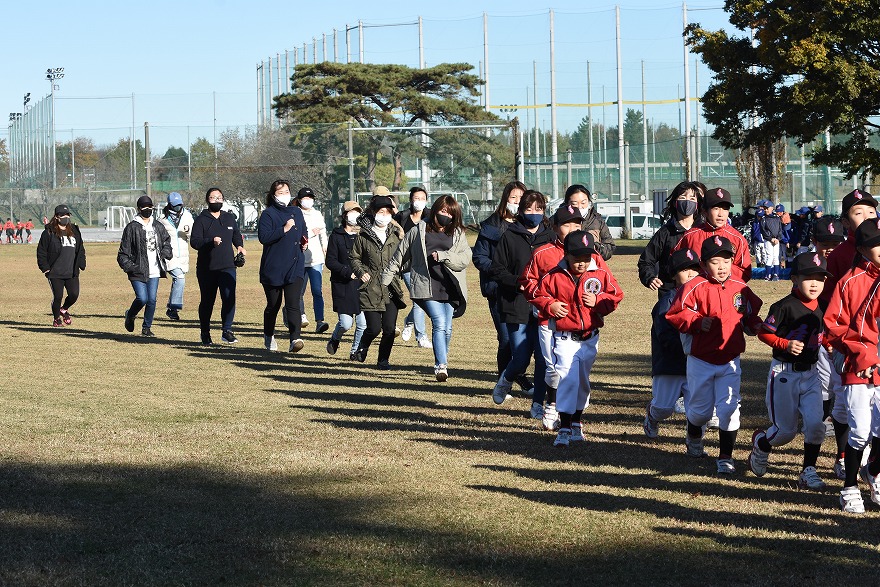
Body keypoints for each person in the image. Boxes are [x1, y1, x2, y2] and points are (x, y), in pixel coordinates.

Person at [666, 235, 763, 474]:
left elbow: (750, 314)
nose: (722, 267)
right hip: (701, 360)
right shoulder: (694, 286)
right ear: (703, 264)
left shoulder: (740, 286)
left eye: (726, 261)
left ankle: (725, 457)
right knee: (700, 412)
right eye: (715, 262)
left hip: (730, 358)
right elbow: (675, 314)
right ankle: (694, 436)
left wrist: (755, 325)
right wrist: (697, 322)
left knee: (729, 408)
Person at [530, 230, 623, 446]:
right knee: (567, 379)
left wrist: (599, 300)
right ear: (566, 254)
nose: (582, 263)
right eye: (577, 258)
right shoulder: (554, 275)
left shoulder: (599, 272)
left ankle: (576, 422)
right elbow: (537, 294)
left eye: (586, 258)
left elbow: (616, 295)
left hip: (590, 338)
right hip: (564, 337)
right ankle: (564, 426)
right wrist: (550, 305)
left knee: (582, 382)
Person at [748, 252, 830, 491]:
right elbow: (764, 332)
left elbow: (823, 335)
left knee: (816, 426)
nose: (814, 284)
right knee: (785, 433)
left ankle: (808, 470)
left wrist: (831, 345)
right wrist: (784, 344)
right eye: (808, 277)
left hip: (812, 374)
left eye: (820, 278)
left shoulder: (824, 306)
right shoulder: (784, 306)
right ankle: (762, 444)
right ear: (794, 279)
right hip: (784, 373)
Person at [384, 194, 472, 381]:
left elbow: (465, 258)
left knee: (447, 327)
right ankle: (441, 365)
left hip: (450, 285)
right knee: (439, 322)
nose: (445, 216)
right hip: (426, 284)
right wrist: (385, 280)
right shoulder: (418, 230)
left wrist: (444, 256)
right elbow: (399, 255)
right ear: (435, 210)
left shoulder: (457, 233)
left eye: (450, 213)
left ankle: (442, 359)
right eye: (443, 211)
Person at [825, 218, 880, 513]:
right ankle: (849, 487)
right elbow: (834, 326)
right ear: (861, 249)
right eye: (876, 244)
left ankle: (873, 472)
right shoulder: (849, 281)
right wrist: (862, 355)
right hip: (856, 365)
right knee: (860, 432)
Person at [489, 190, 556, 419]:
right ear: (520, 211)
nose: (534, 213)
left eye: (538, 209)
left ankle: (537, 404)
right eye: (529, 209)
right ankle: (506, 378)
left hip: (544, 306)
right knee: (520, 357)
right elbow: (497, 269)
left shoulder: (550, 237)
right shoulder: (509, 236)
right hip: (515, 303)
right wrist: (517, 283)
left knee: (543, 358)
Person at [521, 204, 585, 429]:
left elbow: (601, 282)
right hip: (549, 319)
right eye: (567, 224)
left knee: (574, 369)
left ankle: (569, 411)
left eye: (577, 224)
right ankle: (552, 404)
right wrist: (548, 303)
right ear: (555, 227)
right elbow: (527, 283)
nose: (572, 228)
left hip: (578, 322)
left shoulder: (589, 254)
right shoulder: (542, 252)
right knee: (554, 367)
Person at [472, 180, 532, 394]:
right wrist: (501, 272)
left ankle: (519, 374)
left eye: (521, 198)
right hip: (499, 289)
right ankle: (503, 380)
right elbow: (479, 257)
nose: (517, 202)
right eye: (513, 198)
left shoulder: (531, 225)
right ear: (505, 199)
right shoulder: (491, 226)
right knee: (506, 338)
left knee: (525, 338)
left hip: (525, 290)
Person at [643, 248, 701, 440]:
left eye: (695, 268)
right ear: (674, 275)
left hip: (696, 365)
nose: (691, 273)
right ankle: (652, 415)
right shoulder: (667, 302)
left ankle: (694, 443)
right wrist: (690, 349)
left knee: (697, 410)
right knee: (663, 408)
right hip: (670, 365)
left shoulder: (704, 297)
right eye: (684, 270)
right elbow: (665, 336)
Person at [349, 195, 405, 369]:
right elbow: (354, 257)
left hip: (391, 287)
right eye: (381, 211)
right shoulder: (363, 236)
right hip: (370, 288)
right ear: (374, 213)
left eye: (388, 212)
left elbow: (403, 257)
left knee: (389, 329)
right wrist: (361, 272)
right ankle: (362, 346)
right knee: (374, 328)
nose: (384, 215)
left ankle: (383, 360)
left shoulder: (396, 235)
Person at [189, 187, 246, 345]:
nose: (216, 200)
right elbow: (194, 242)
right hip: (207, 268)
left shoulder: (229, 218)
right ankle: (205, 333)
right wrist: (210, 241)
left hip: (228, 266)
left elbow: (236, 234)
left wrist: (239, 246)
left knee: (229, 298)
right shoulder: (201, 220)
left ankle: (227, 330)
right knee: (208, 301)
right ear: (207, 200)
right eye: (213, 197)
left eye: (219, 197)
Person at [258, 179, 308, 352]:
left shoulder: (296, 211)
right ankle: (268, 335)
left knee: (293, 304)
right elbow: (264, 237)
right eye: (280, 192)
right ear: (273, 196)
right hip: (274, 267)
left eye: (287, 191)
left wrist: (304, 241)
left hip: (295, 265)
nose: (285, 195)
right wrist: (284, 229)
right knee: (273, 305)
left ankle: (295, 339)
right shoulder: (268, 214)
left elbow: (303, 230)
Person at [117, 196, 173, 337]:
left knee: (152, 300)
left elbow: (167, 242)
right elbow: (123, 253)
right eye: (144, 207)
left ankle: (146, 328)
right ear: (139, 209)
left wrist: (165, 253)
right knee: (142, 298)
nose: (147, 209)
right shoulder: (132, 227)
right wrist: (131, 267)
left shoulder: (158, 226)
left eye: (150, 207)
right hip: (137, 269)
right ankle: (130, 315)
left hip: (155, 269)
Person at [637, 181, 704, 300]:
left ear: (697, 204)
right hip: (670, 295)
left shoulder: (704, 231)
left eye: (692, 198)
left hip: (700, 293)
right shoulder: (665, 233)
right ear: (675, 202)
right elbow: (646, 260)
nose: (687, 202)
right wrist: (650, 277)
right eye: (682, 197)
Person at [673, 187, 752, 282]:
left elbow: (745, 272)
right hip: (697, 288)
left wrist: (722, 272)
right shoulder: (690, 236)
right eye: (716, 208)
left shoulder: (738, 239)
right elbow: (675, 262)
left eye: (725, 209)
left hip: (725, 289)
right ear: (705, 211)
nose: (721, 214)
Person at [326, 201, 367, 359]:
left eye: (357, 212)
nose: (355, 215)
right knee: (346, 323)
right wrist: (347, 272)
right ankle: (335, 338)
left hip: (362, 285)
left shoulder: (364, 235)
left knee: (363, 323)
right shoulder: (336, 236)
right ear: (344, 215)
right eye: (351, 212)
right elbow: (330, 261)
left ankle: (355, 351)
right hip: (343, 285)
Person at [394, 186, 433, 349]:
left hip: (426, 265)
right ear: (411, 199)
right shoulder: (402, 217)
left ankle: (409, 321)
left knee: (421, 299)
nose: (419, 201)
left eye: (422, 198)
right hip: (407, 266)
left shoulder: (430, 217)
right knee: (419, 299)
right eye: (416, 198)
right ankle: (421, 337)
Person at [36, 204, 86, 327]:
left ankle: (63, 309)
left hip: (71, 271)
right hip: (55, 272)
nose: (66, 217)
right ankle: (56, 318)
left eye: (67, 215)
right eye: (63, 215)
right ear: (57, 217)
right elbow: (41, 251)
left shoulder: (74, 231)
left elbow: (80, 249)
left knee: (74, 295)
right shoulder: (49, 232)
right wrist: (45, 268)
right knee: (58, 296)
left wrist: (81, 262)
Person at [296, 187, 329, 333]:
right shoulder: (296, 214)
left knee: (317, 291)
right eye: (305, 198)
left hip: (316, 259)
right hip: (300, 259)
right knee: (299, 291)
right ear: (299, 200)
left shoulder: (317, 214)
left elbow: (322, 232)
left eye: (310, 198)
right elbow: (297, 234)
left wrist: (325, 247)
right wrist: (311, 233)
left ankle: (320, 321)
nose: (308, 201)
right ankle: (301, 315)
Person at [157, 192, 194, 321]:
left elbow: (193, 237)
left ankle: (172, 308)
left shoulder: (188, 216)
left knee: (178, 280)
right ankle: (173, 308)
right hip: (169, 255)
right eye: (175, 205)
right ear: (169, 205)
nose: (178, 207)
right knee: (179, 278)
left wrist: (188, 232)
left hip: (183, 255)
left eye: (179, 204)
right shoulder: (162, 218)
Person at [564, 184, 615, 260]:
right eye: (574, 204)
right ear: (567, 203)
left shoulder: (597, 221)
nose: (579, 207)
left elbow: (609, 247)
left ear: (589, 201)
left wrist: (594, 247)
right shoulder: (558, 220)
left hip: (592, 264)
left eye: (583, 203)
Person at [759, 201, 785, 281]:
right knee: (769, 256)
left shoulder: (776, 218)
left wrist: (778, 238)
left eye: (767, 208)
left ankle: (776, 274)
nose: (766, 210)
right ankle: (768, 274)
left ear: (772, 208)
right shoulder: (763, 219)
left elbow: (780, 229)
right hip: (768, 240)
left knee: (776, 257)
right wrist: (770, 238)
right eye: (764, 208)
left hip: (776, 240)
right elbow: (763, 231)